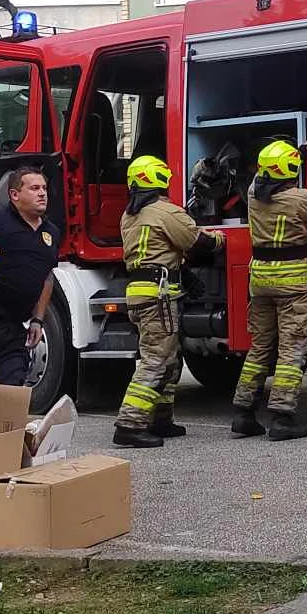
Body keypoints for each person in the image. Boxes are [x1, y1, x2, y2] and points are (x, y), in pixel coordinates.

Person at [231, 140, 307, 442]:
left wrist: (298, 151)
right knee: (292, 347)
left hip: (260, 281)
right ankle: (282, 418)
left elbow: (261, 176)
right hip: (292, 281)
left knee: (260, 348)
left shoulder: (254, 194)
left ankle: (243, 413)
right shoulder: (298, 198)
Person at [114, 154, 224, 449]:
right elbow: (198, 242)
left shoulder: (130, 214)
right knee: (156, 359)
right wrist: (222, 239)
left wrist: (183, 272)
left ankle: (161, 419)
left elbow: (160, 249)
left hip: (140, 292)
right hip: (158, 296)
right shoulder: (165, 211)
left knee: (171, 359)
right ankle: (130, 423)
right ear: (160, 179)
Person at [0, 166, 60, 387]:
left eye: (44, 188)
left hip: (13, 330)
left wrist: (38, 319)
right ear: (14, 195)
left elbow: (47, 277)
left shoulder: (52, 232)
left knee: (8, 395)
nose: (42, 193)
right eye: (34, 188)